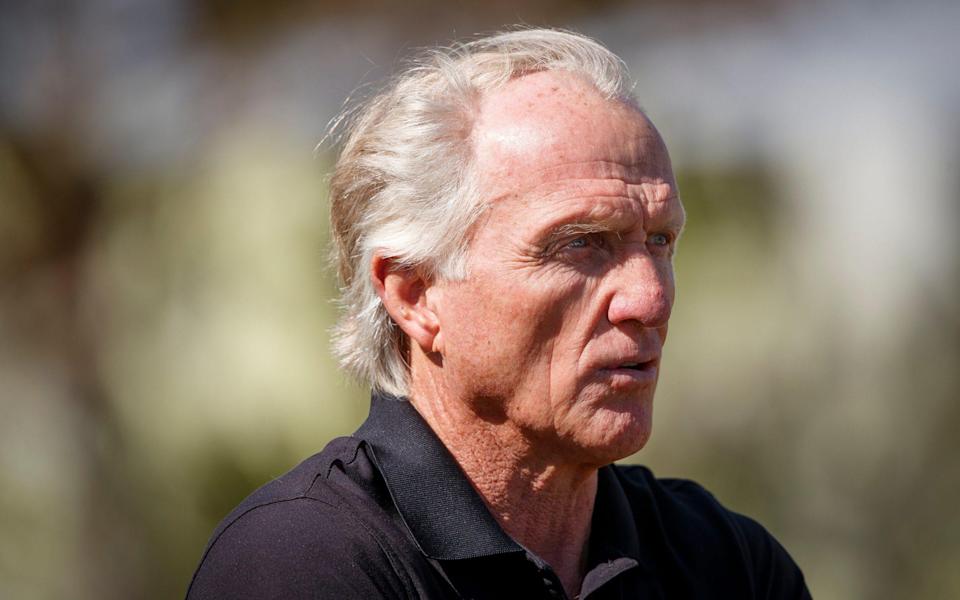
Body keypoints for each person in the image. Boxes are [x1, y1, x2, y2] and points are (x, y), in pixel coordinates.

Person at [186, 28, 811, 599]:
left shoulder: (727, 562)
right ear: (414, 295)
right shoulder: (301, 563)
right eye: (580, 244)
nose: (649, 298)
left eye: (659, 242)